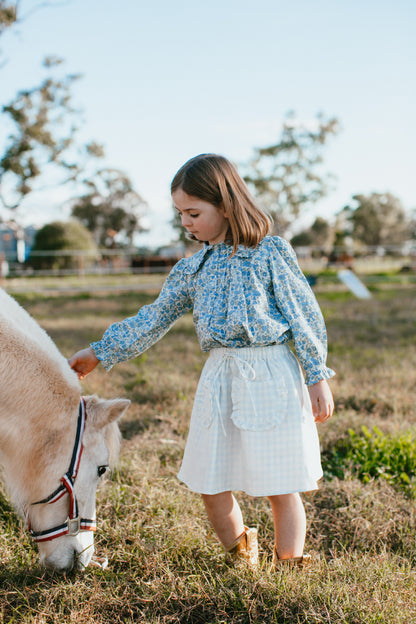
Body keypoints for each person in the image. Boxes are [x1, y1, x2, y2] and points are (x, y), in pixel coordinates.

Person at [69, 153, 335, 569]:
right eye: (180, 214)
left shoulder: (270, 253)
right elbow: (153, 318)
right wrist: (100, 352)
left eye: (194, 212)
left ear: (226, 205)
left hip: (271, 375)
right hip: (220, 379)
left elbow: (303, 315)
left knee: (281, 484)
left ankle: (289, 567)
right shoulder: (192, 269)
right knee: (211, 482)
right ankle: (242, 558)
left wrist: (316, 375)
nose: (186, 223)